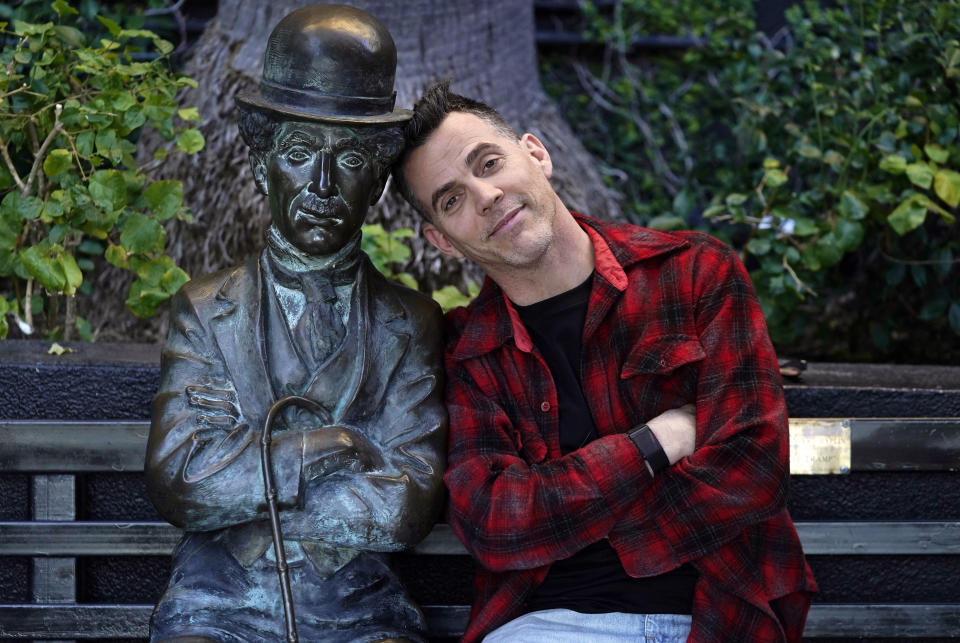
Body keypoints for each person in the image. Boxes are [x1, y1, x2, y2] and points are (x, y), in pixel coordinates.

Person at [392, 81, 816, 643]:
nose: (486, 195)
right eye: (452, 200)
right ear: (441, 241)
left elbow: (753, 463)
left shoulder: (695, 274)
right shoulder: (470, 353)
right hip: (550, 626)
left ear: (536, 153)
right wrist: (654, 443)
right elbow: (496, 523)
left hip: (718, 615)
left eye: (489, 163)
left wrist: (575, 519)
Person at [145, 6, 446, 642]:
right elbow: (183, 484)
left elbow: (406, 506)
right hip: (215, 604)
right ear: (262, 169)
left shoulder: (411, 322)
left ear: (379, 185)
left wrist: (248, 481)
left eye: (351, 160)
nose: (321, 184)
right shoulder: (204, 309)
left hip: (360, 612)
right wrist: (330, 450)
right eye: (301, 152)